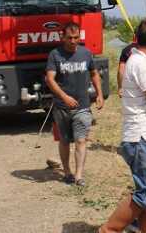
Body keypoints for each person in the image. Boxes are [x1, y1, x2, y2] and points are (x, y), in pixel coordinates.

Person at [100, 18, 146, 233]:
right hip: (142, 138)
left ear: (136, 38)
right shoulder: (143, 65)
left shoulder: (135, 59)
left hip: (140, 136)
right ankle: (109, 229)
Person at [46, 22, 103, 186]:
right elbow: (49, 79)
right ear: (63, 37)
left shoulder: (86, 53)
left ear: (80, 37)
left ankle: (79, 176)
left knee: (81, 140)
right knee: (64, 140)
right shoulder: (55, 55)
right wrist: (64, 97)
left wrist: (99, 94)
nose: (73, 41)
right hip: (61, 107)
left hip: (83, 107)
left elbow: (94, 73)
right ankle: (67, 172)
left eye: (76, 37)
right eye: (69, 37)